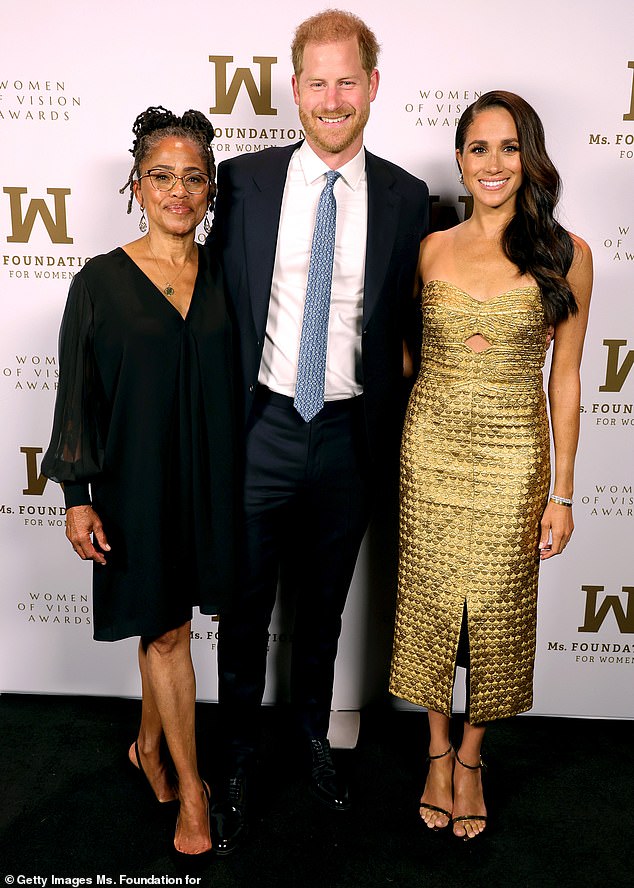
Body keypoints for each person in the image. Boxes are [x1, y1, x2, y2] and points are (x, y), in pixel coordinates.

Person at [208, 9, 428, 854]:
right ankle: (234, 758)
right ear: (293, 89)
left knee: (324, 611)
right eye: (316, 81)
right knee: (245, 608)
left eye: (348, 81)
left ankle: (309, 738)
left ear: (373, 85)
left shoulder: (409, 197)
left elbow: (414, 318)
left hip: (347, 434)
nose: (332, 99)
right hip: (260, 425)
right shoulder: (241, 182)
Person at [390, 90, 593, 840]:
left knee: (499, 615)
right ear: (460, 160)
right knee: (433, 603)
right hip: (431, 447)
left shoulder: (568, 254)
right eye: (479, 148)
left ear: (530, 158)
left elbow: (565, 379)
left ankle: (472, 759)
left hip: (513, 455)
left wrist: (562, 492)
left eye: (509, 148)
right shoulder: (431, 248)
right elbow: (406, 354)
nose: (494, 163)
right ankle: (437, 750)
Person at [42, 106, 236, 857]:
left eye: (194, 177)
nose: (178, 190)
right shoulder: (98, 282)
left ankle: (148, 747)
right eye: (162, 175)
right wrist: (77, 497)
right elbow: (76, 398)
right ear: (136, 183)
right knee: (167, 629)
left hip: (214, 481)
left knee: (168, 622)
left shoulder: (230, 274)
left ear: (211, 189)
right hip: (136, 487)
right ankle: (193, 790)